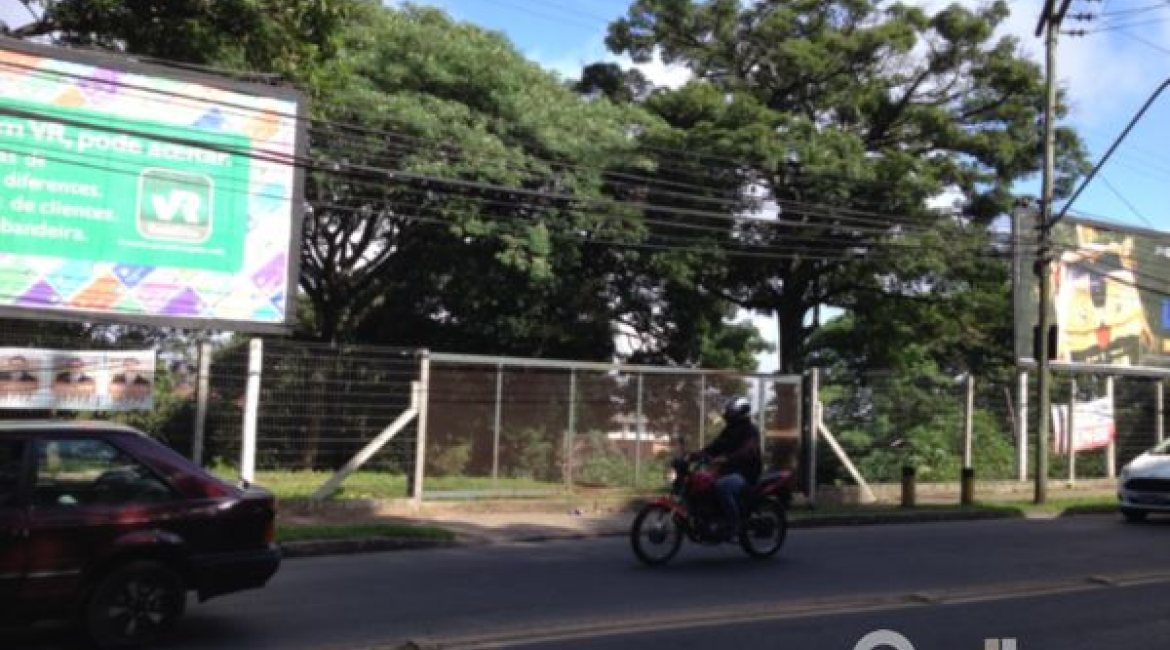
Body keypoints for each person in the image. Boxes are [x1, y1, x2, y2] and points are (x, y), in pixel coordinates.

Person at [691, 396, 762, 539]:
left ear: (740, 412)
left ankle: (734, 524)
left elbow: (747, 451)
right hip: (729, 470)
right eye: (728, 410)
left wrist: (728, 458)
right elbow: (716, 445)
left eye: (731, 411)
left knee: (722, 486)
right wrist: (697, 455)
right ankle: (710, 518)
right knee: (702, 483)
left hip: (745, 473)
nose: (727, 413)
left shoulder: (751, 430)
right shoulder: (729, 430)